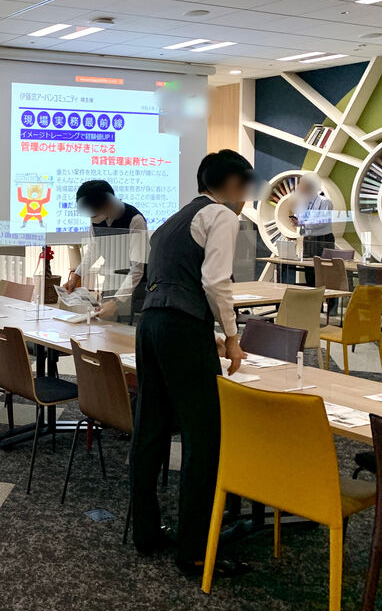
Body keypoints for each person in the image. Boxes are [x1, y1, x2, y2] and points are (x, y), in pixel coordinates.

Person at [129, 149, 255, 578]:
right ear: (233, 185)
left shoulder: (172, 221)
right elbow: (215, 282)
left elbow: (169, 284)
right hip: (179, 330)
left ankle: (146, 533)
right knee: (204, 438)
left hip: (150, 325)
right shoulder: (221, 216)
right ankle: (196, 551)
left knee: (149, 429)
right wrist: (232, 337)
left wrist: (206, 332)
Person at [62, 180, 147, 319]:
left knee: (124, 328)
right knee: (105, 325)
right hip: (111, 281)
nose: (92, 217)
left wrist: (117, 301)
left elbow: (137, 268)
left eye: (94, 213)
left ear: (108, 204)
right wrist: (76, 276)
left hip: (134, 288)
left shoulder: (134, 219)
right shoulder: (96, 218)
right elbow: (94, 250)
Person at [290, 177, 334, 286]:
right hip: (308, 240)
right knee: (309, 272)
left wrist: (302, 223)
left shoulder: (325, 202)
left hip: (323, 240)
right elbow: (298, 216)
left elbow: (322, 221)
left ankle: (325, 295)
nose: (298, 187)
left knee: (322, 273)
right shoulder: (302, 201)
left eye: (301, 184)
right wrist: (295, 220)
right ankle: (311, 295)